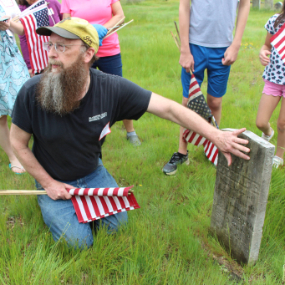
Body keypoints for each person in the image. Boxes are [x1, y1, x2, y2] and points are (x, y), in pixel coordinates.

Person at [10, 18, 250, 248]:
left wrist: (216, 136)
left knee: (117, 227)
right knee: (78, 243)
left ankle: (79, 205)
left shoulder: (110, 88)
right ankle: (49, 203)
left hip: (91, 172)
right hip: (52, 176)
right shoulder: (32, 92)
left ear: (88, 54)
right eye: (49, 45)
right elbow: (17, 143)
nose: (51, 54)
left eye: (61, 46)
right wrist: (48, 183)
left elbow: (169, 108)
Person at [162, 0, 250, 175]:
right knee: (188, 100)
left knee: (215, 101)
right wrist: (185, 49)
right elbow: (184, 5)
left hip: (224, 47)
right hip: (194, 46)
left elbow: (245, 4)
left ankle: (213, 148)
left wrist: (236, 44)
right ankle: (182, 152)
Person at [60, 0, 141, 146]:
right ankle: (81, 132)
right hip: (82, 52)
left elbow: (120, 15)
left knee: (119, 90)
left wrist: (101, 29)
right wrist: (87, 34)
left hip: (108, 49)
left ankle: (131, 132)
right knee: (81, 92)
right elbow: (66, 24)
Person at [0, 0, 30, 174]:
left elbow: (21, 30)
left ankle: (24, 149)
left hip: (11, 58)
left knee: (22, 103)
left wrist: (8, 23)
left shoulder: (8, 2)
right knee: (0, 115)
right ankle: (13, 156)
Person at [256, 2, 285, 168]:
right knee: (260, 122)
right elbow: (266, 45)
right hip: (274, 78)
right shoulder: (276, 21)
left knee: (283, 123)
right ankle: (268, 133)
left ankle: (279, 156)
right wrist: (263, 52)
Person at [18, 0, 62, 77]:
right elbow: (23, 40)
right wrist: (29, 66)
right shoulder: (21, 10)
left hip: (60, 54)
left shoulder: (52, 3)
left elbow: (65, 22)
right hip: (40, 61)